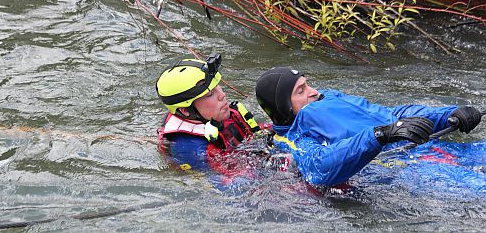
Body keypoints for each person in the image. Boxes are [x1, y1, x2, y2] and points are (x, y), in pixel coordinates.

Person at [255, 66, 483, 187]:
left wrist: (448, 114)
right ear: (284, 108)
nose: (313, 91)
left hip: (432, 150)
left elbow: (390, 114)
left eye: (308, 84)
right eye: (301, 91)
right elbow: (318, 167)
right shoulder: (294, 140)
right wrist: (379, 136)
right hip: (407, 172)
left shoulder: (330, 98)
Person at [155, 54, 276, 188]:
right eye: (210, 94)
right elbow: (233, 186)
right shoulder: (195, 150)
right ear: (185, 110)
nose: (222, 95)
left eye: (217, 86)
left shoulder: (210, 115)